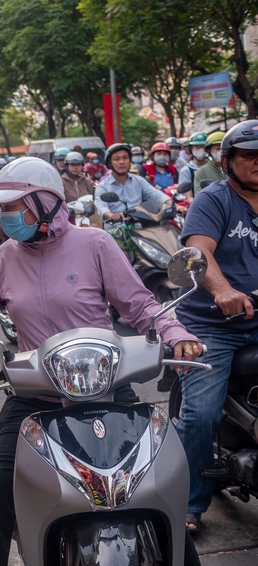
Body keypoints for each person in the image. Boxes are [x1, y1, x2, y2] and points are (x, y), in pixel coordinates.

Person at [0, 156, 203, 566]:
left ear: (47, 202)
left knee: (157, 484)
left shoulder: (95, 244)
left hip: (108, 387)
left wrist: (178, 335)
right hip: (36, 396)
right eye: (3, 208)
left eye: (13, 206)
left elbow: (140, 306)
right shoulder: (3, 260)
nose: (4, 215)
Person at [174, 119, 258, 535]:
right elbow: (198, 250)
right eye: (249, 154)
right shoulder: (213, 200)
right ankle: (190, 503)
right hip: (214, 324)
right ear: (228, 162)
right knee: (200, 414)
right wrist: (222, 290)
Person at [95, 143, 181, 222]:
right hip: (115, 229)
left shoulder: (139, 181)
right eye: (117, 159)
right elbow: (101, 207)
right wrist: (112, 215)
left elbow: (156, 194)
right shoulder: (103, 187)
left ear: (129, 161)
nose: (122, 162)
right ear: (110, 163)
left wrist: (174, 205)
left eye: (125, 158)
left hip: (139, 226)